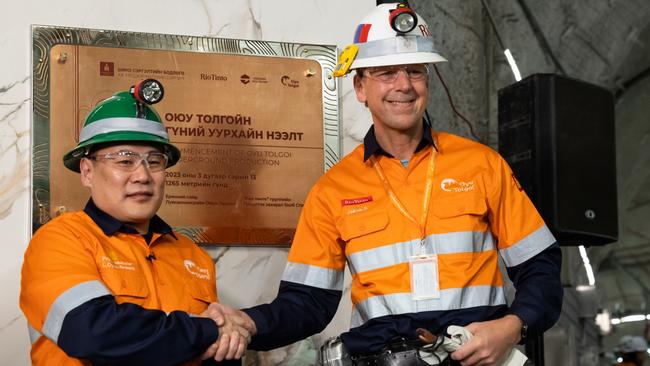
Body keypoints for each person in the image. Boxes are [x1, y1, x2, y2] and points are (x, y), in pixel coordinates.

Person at [218, 3, 562, 365]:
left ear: (427, 81)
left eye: (415, 71)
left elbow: (540, 266)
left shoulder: (482, 165)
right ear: (360, 87)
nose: (404, 85)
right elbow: (307, 303)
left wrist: (513, 326)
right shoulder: (332, 190)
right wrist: (251, 322)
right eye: (386, 72)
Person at [20, 80, 248, 365]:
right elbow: (90, 332)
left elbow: (216, 351)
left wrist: (229, 339)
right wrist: (207, 331)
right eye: (125, 161)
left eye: (154, 161)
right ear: (87, 172)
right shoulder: (60, 241)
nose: (142, 175)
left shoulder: (193, 256)